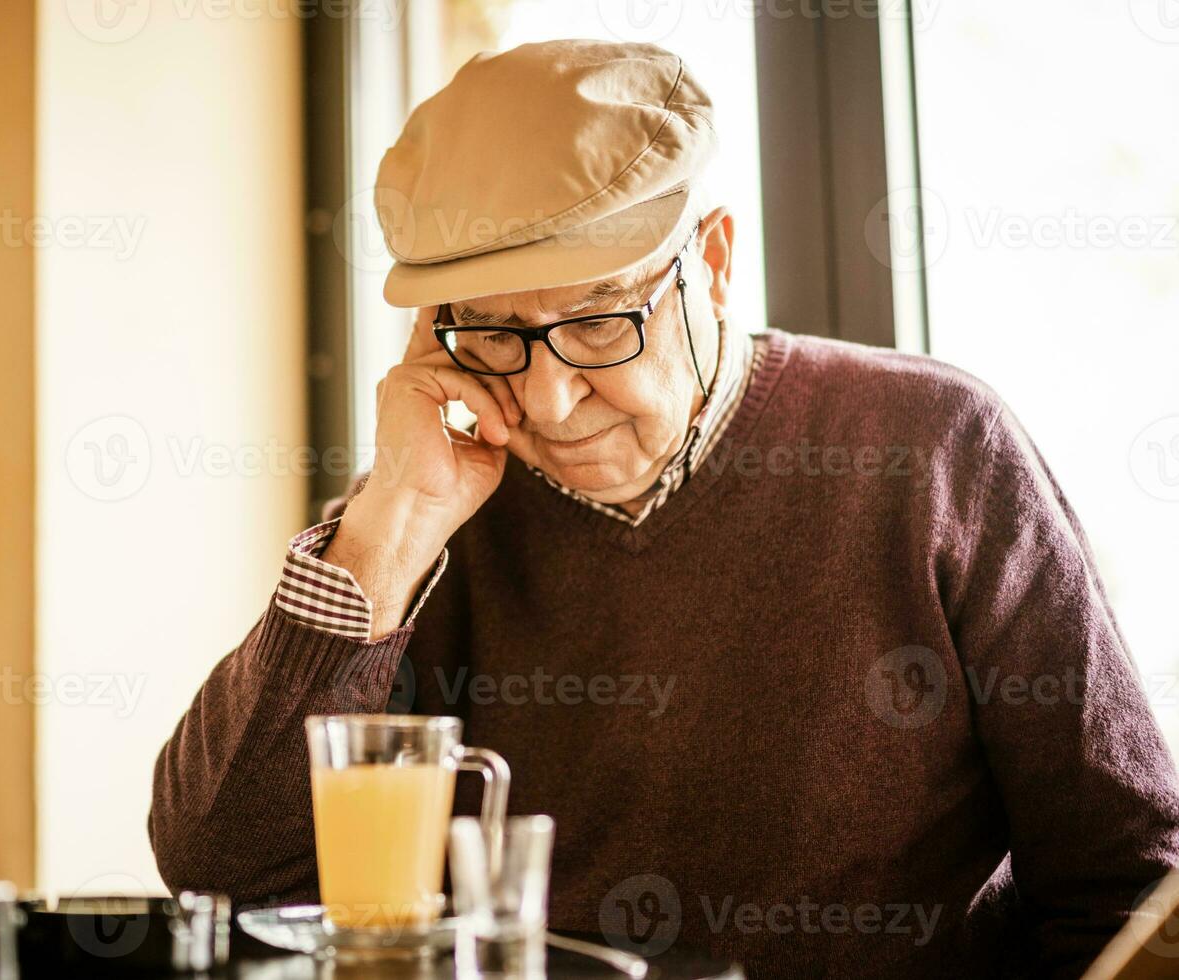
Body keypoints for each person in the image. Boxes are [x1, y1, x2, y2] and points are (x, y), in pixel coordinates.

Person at [150, 40, 1179, 978]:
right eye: (494, 333)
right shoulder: (433, 507)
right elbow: (223, 866)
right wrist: (393, 524)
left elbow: (1126, 881)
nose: (547, 400)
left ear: (715, 262)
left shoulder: (933, 445)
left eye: (597, 323)